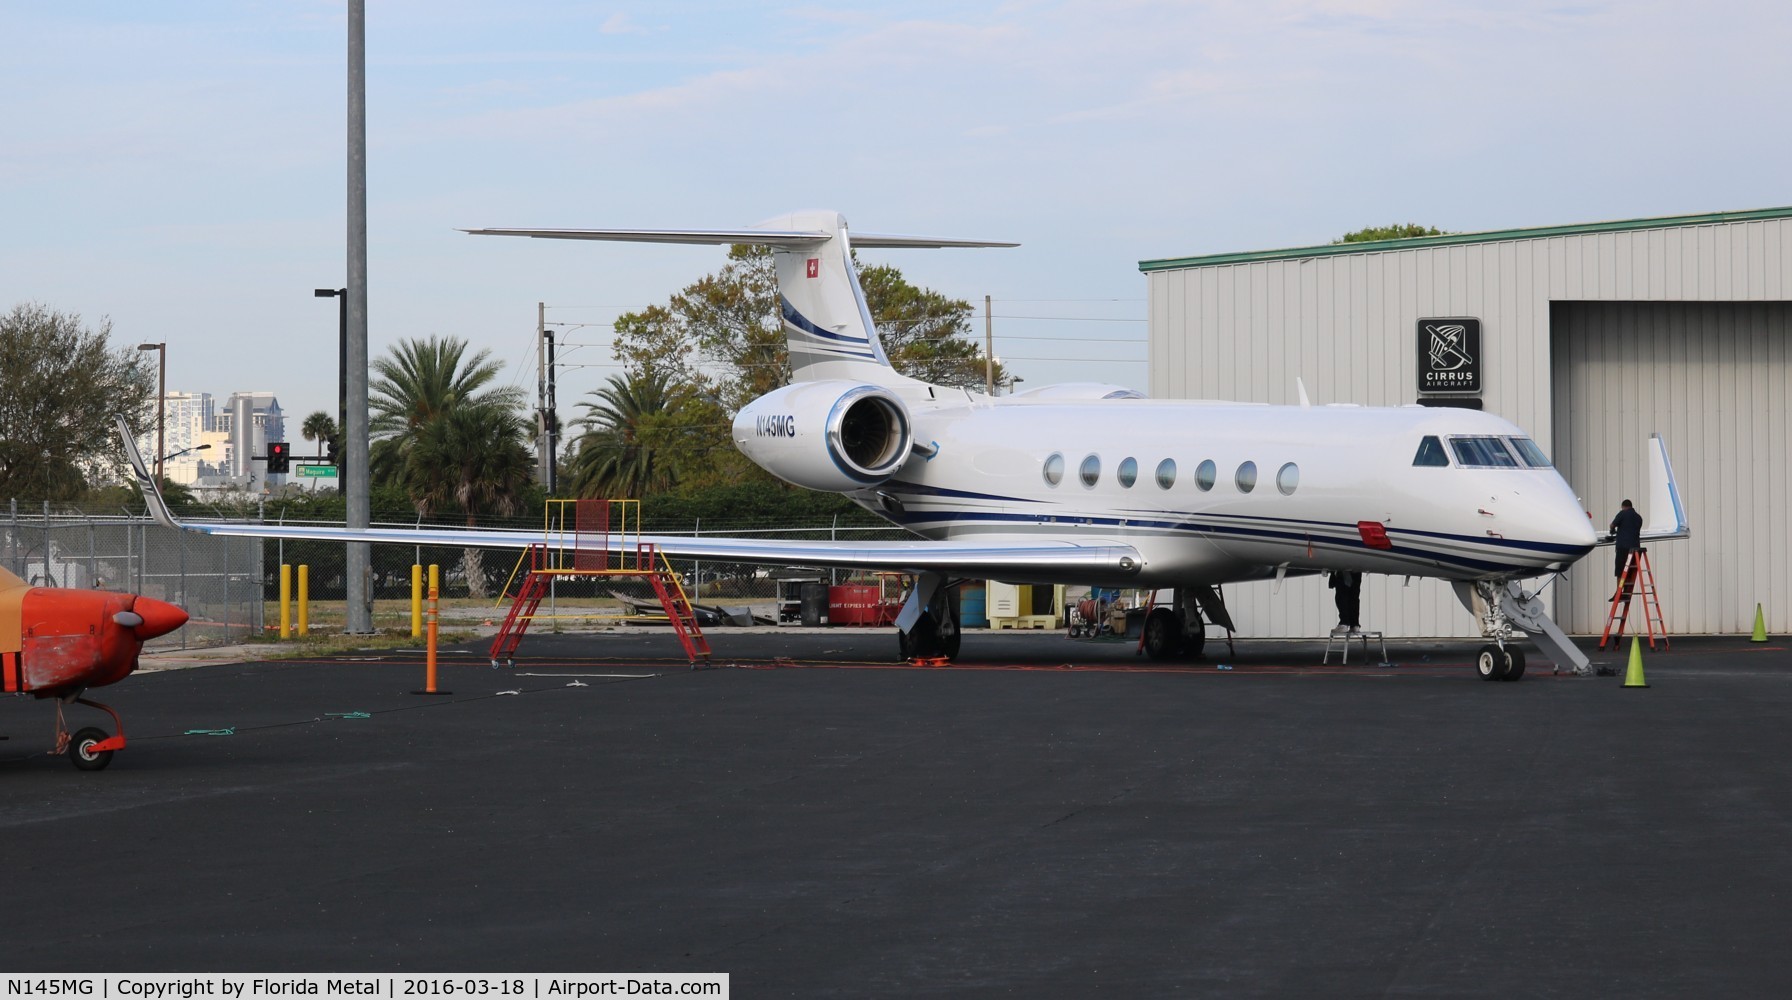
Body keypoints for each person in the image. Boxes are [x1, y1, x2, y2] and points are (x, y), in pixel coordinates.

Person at [1609, 499, 1644, 591]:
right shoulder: (1639, 517)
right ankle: (1628, 589)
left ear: (1623, 506)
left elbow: (1612, 525)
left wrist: (1612, 531)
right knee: (1630, 570)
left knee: (1621, 571)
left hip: (1623, 548)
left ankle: (1619, 590)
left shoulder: (1622, 514)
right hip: (1635, 549)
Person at [1328, 570, 1362, 635]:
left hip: (1344, 568)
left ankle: (1344, 623)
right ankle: (1354, 624)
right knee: (1354, 597)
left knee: (1342, 595)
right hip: (1357, 568)